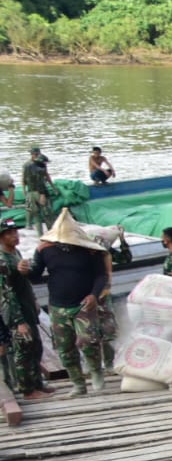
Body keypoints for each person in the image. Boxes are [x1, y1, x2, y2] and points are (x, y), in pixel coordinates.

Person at [18, 209, 110, 397]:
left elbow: (101, 275)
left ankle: (96, 371)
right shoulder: (45, 249)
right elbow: (36, 275)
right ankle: (78, 383)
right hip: (58, 305)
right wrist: (25, 271)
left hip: (84, 303)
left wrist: (94, 295)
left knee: (88, 340)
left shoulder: (90, 250)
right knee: (64, 347)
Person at [0, 217, 52, 399]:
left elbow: (24, 283)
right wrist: (18, 321)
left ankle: (37, 382)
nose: (15, 236)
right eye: (9, 234)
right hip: (16, 312)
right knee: (23, 351)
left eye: (15, 232)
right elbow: (6, 294)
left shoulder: (15, 253)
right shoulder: (3, 260)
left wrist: (35, 301)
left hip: (27, 307)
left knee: (36, 347)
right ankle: (28, 390)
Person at [22, 147, 56, 237]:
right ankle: (51, 234)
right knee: (47, 215)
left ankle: (40, 235)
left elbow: (24, 180)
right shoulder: (40, 169)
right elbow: (41, 183)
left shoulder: (27, 165)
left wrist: (24, 191)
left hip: (31, 193)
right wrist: (43, 194)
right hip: (39, 193)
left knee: (36, 216)